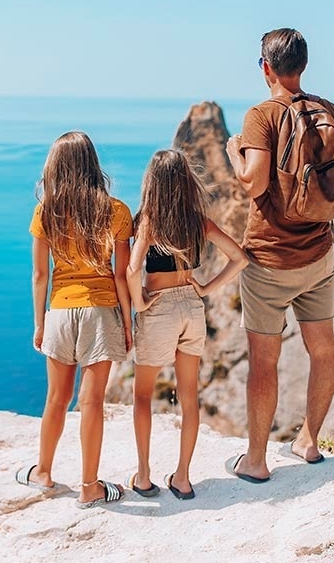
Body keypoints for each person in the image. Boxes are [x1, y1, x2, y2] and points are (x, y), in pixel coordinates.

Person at [224, 28, 334, 483]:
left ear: (265, 67)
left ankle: (256, 461)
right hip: (319, 257)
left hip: (269, 260)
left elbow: (253, 182)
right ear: (303, 66)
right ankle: (308, 442)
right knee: (323, 349)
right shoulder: (331, 111)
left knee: (263, 361)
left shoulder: (261, 116)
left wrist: (234, 152)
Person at [15, 131, 133, 508]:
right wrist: (128, 325)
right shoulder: (116, 211)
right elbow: (121, 275)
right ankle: (89, 488)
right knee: (92, 402)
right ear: (92, 165)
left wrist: (39, 323)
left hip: (60, 313)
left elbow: (39, 275)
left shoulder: (45, 211)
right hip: (101, 313)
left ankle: (44, 473)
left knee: (56, 398)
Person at [126, 149, 248, 500]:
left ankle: (145, 476)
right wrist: (207, 288)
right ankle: (182, 478)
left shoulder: (149, 220)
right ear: (185, 182)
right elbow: (239, 258)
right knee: (189, 396)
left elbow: (134, 269)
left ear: (153, 184)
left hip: (160, 307)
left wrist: (139, 302)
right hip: (192, 309)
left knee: (143, 396)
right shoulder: (198, 221)